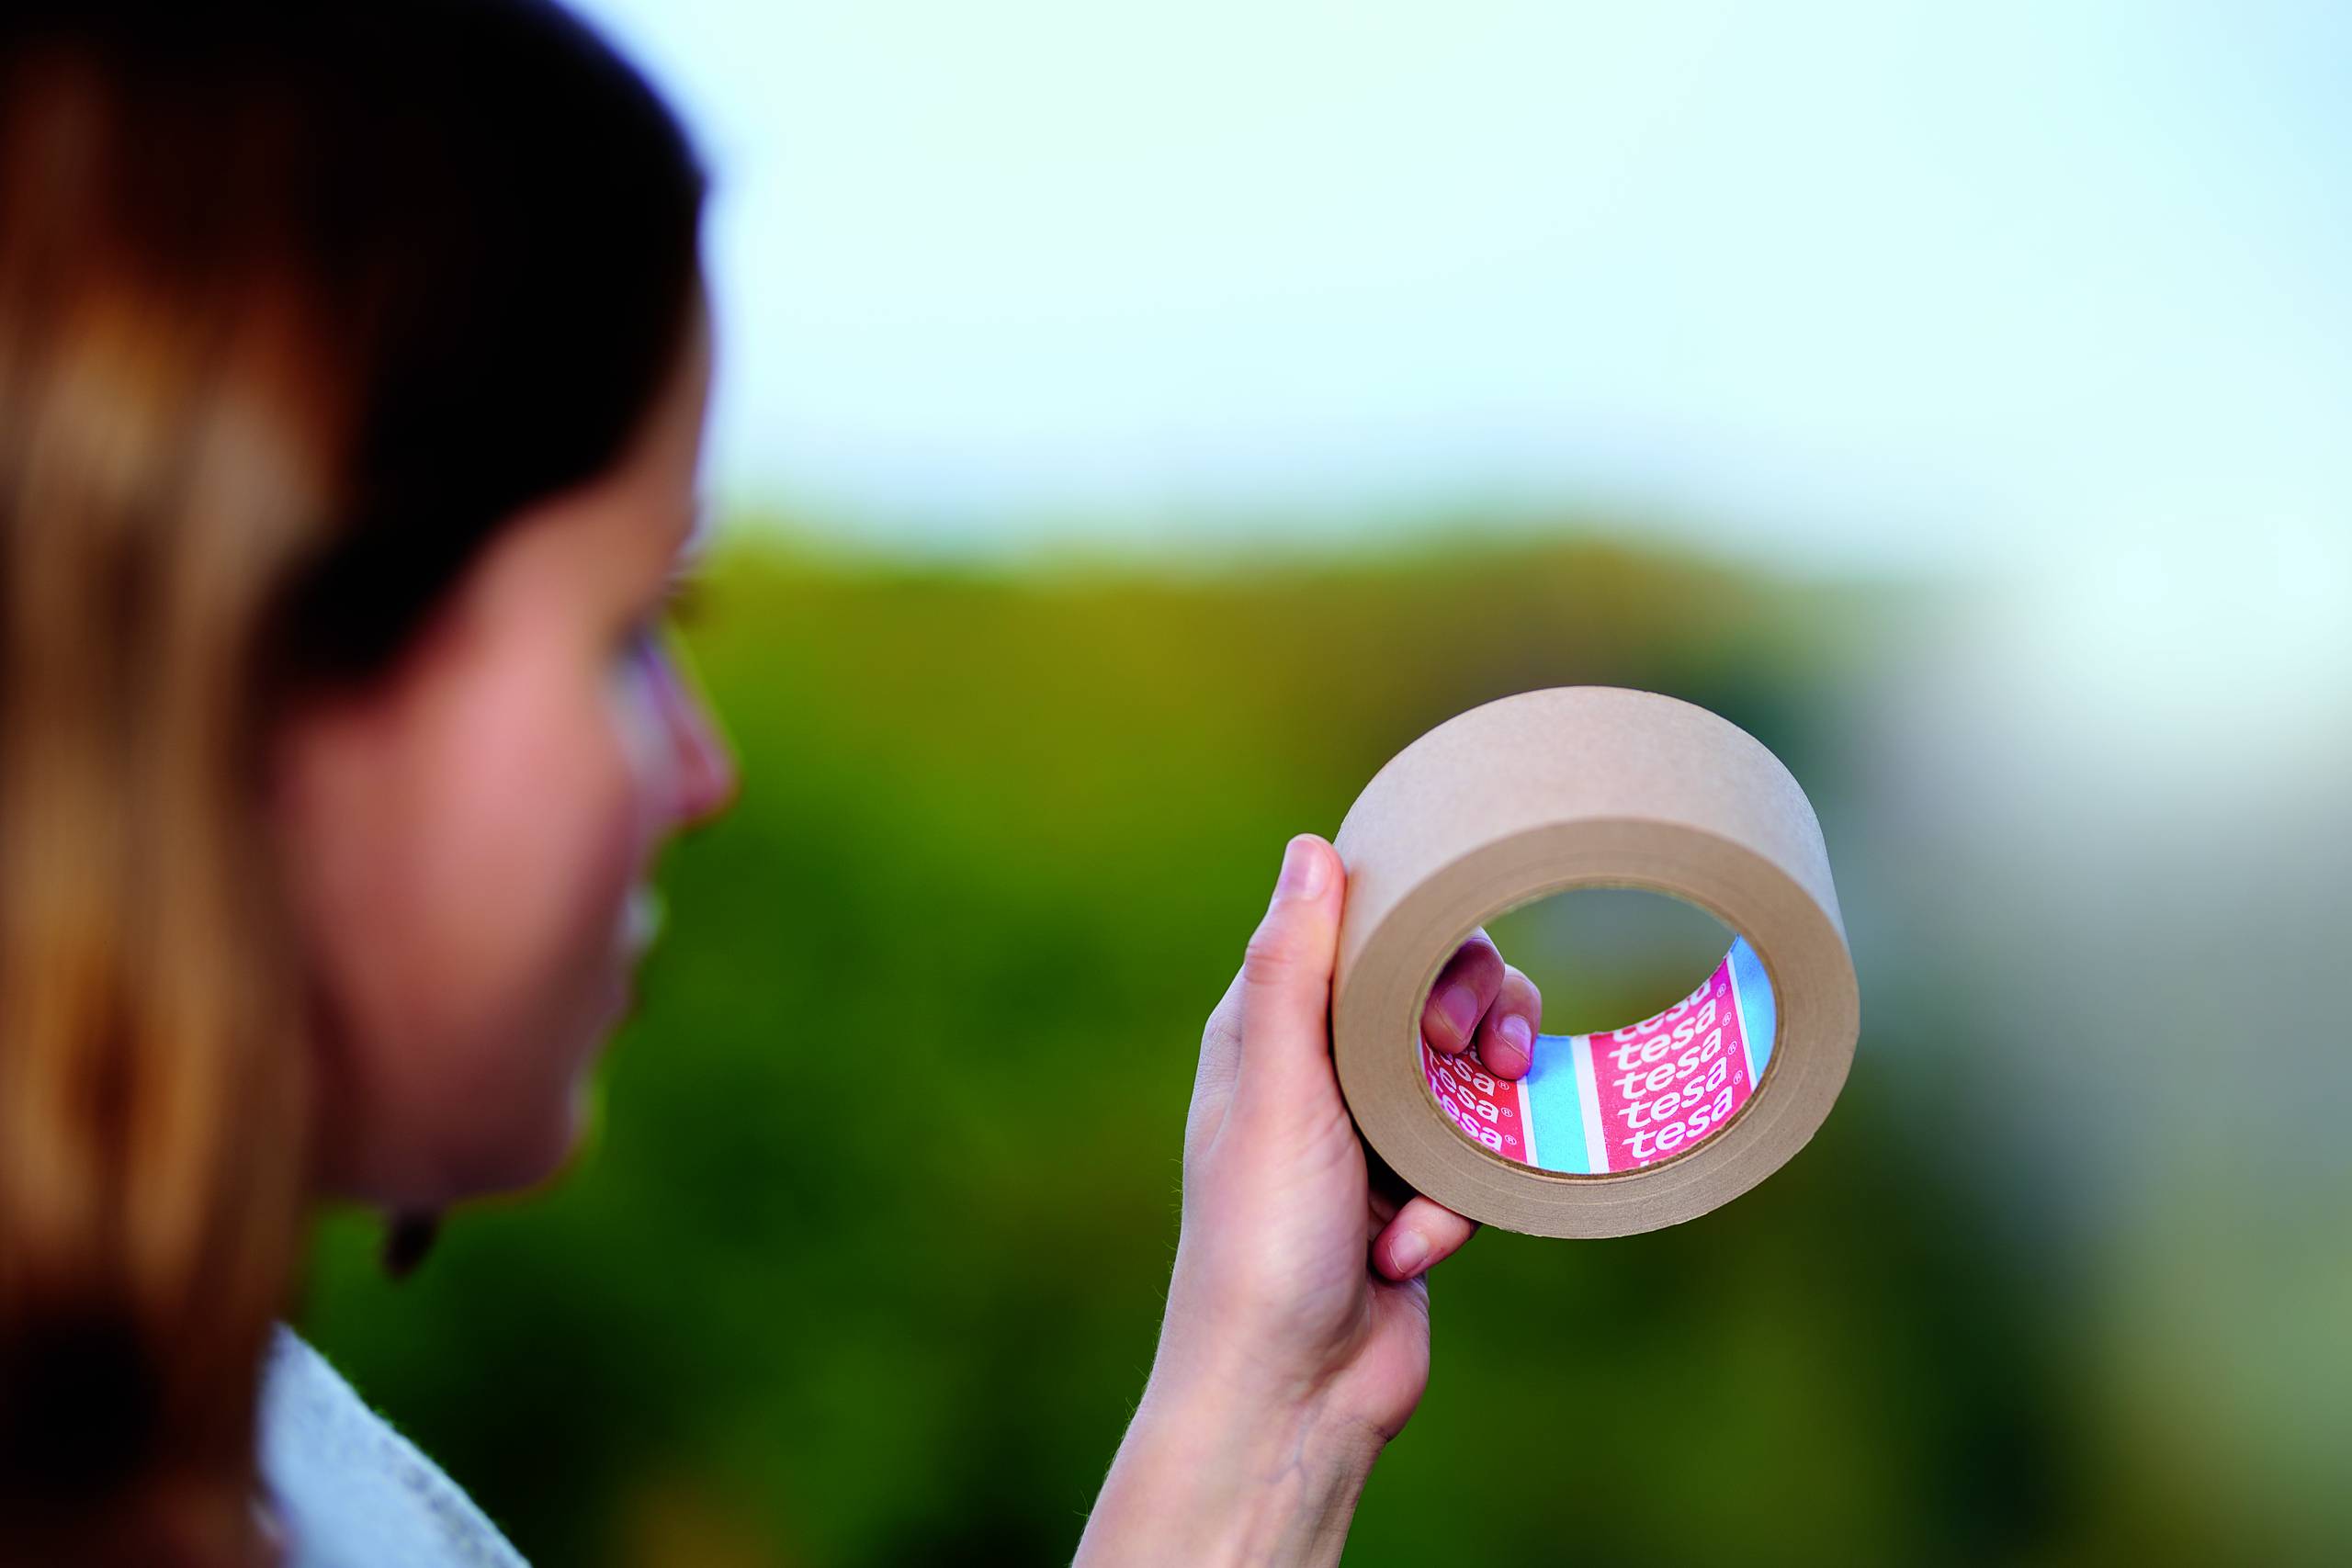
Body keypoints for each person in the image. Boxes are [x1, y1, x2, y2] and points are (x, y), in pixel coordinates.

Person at [0, 5, 1545, 1564]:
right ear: (259, 672)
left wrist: (1273, 1414)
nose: (703, 770)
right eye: (631, 631)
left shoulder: (244, 1463)